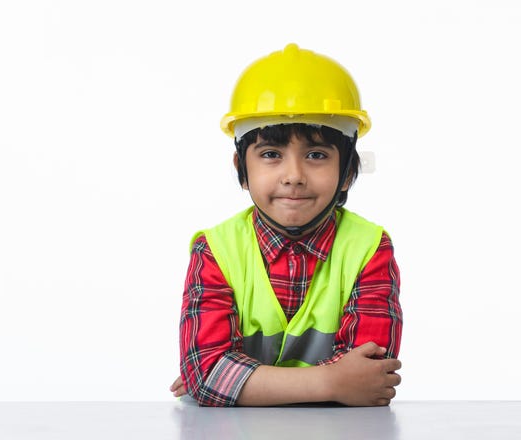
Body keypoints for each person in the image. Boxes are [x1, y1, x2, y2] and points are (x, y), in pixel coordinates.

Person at [170, 43, 402, 407]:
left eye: (316, 154)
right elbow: (207, 374)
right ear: (241, 170)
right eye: (270, 155)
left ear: (348, 172)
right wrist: (332, 381)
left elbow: (368, 378)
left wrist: (239, 382)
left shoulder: (369, 248)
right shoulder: (216, 249)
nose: (293, 176)